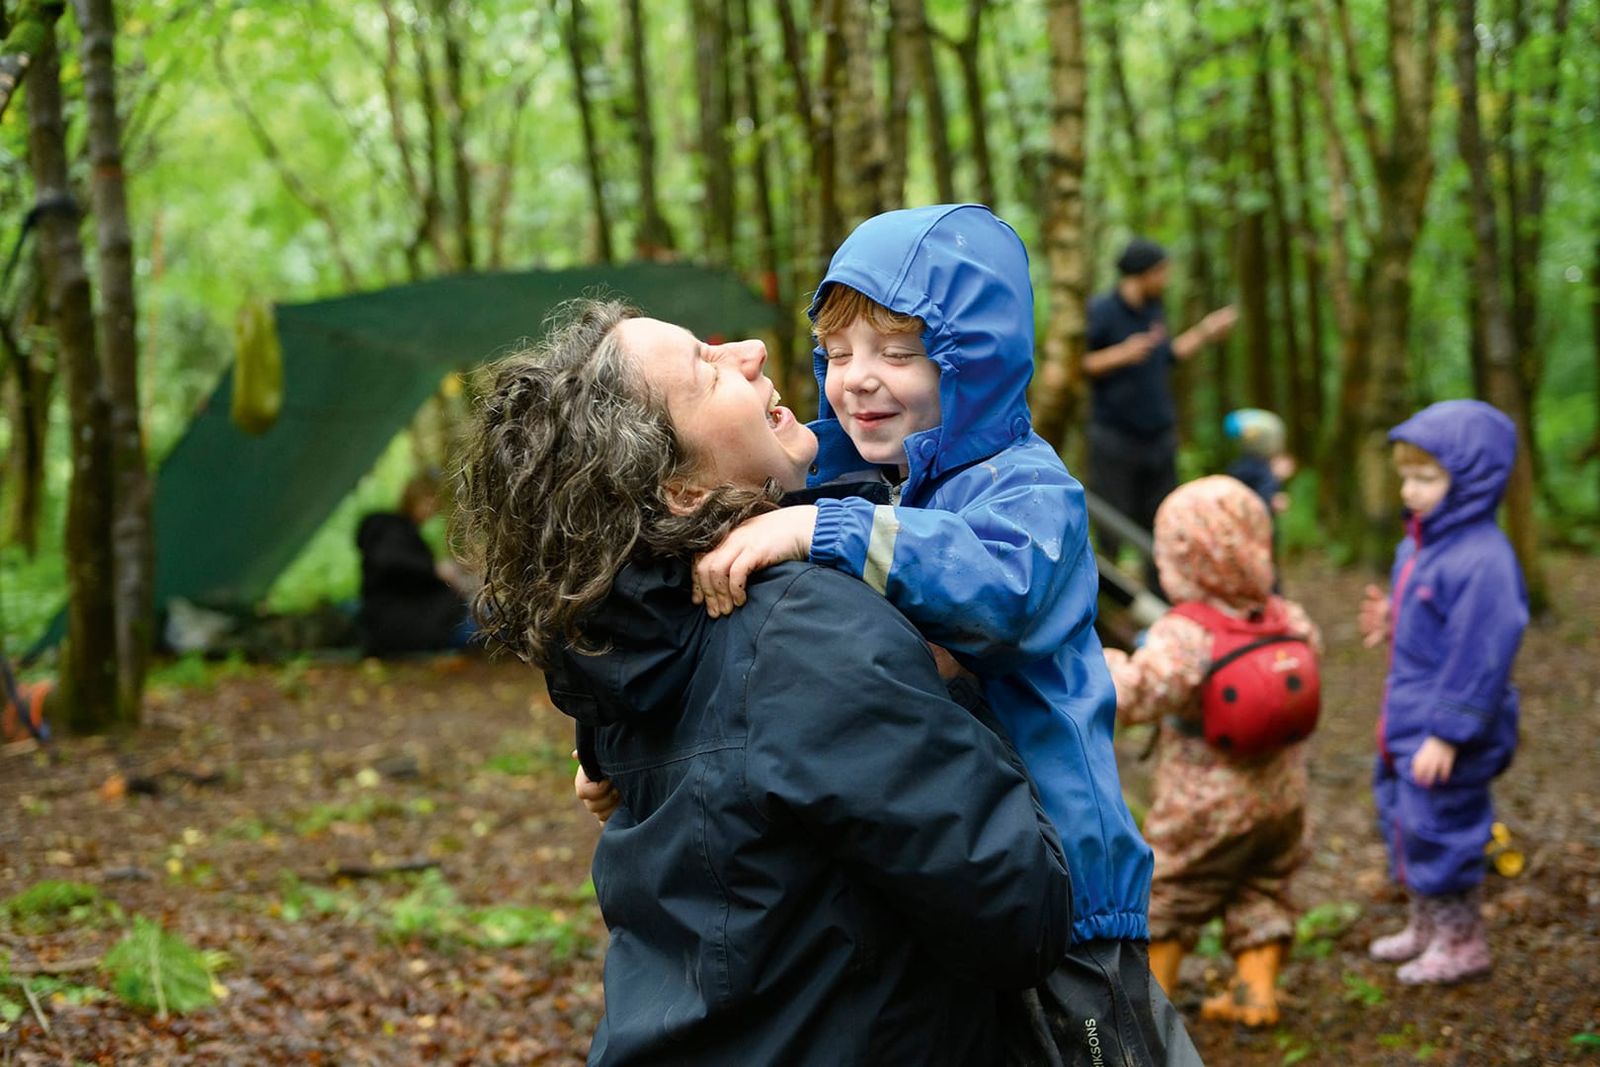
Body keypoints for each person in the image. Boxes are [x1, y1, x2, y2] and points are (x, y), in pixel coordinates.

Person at [455, 299, 1075, 1064]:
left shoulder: (614, 646)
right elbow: (1022, 914)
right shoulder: (810, 633)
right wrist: (968, 680)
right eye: (705, 370)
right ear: (681, 489)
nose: (747, 349)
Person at [686, 205, 1196, 1065]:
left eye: (898, 351)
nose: (859, 380)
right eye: (838, 353)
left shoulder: (1028, 488)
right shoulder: (862, 466)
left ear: (975, 360)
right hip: (963, 868)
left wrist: (828, 532)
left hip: (1068, 881)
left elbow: (1000, 586)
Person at [1104, 476, 1321, 1027]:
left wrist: (1108, 668)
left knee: (1171, 893)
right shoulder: (1287, 617)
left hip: (1205, 804)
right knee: (1263, 886)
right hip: (1283, 795)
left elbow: (1136, 696)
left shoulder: (1185, 634)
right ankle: (1256, 996)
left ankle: (1146, 1013)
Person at [1359, 400, 1527, 985]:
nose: (1411, 490)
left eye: (1427, 478)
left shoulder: (1483, 559)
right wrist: (1392, 618)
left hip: (1447, 728)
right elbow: (1433, 621)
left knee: (1442, 824)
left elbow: (1482, 652)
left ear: (1474, 479)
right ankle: (1427, 925)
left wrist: (1450, 733)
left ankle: (1463, 941)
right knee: (1406, 818)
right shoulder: (1421, 545)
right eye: (1405, 475)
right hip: (1405, 716)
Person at [1083, 238, 1236, 584]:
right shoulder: (1102, 310)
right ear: (1141, 273)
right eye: (1161, 272)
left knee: (1164, 519)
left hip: (1158, 437)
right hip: (1114, 437)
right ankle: (1108, 599)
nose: (1166, 279)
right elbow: (1078, 364)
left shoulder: (1154, 310)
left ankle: (1163, 593)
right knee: (1112, 525)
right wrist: (1120, 354)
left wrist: (1205, 332)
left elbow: (1168, 355)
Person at [354, 473, 476, 656]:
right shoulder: (388, 530)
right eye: (426, 501)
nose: (430, 508)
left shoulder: (406, 535)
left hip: (420, 622)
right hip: (405, 628)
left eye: (434, 503)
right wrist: (434, 570)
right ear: (412, 498)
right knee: (488, 624)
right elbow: (390, 560)